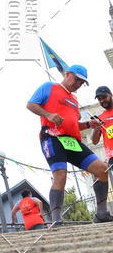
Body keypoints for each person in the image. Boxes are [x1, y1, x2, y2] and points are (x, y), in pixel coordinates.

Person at [27, 66, 112, 225]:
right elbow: (31, 104)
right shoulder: (49, 87)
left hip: (72, 141)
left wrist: (89, 124)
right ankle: (56, 219)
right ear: (67, 74)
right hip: (52, 136)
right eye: (76, 79)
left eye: (81, 82)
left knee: (101, 169)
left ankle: (102, 214)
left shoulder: (74, 100)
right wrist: (48, 114)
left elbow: (72, 124)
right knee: (60, 175)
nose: (78, 84)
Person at [91, 85, 113, 195]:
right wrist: (97, 128)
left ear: (111, 95)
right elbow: (94, 141)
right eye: (99, 99)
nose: (102, 101)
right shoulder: (100, 118)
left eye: (104, 97)